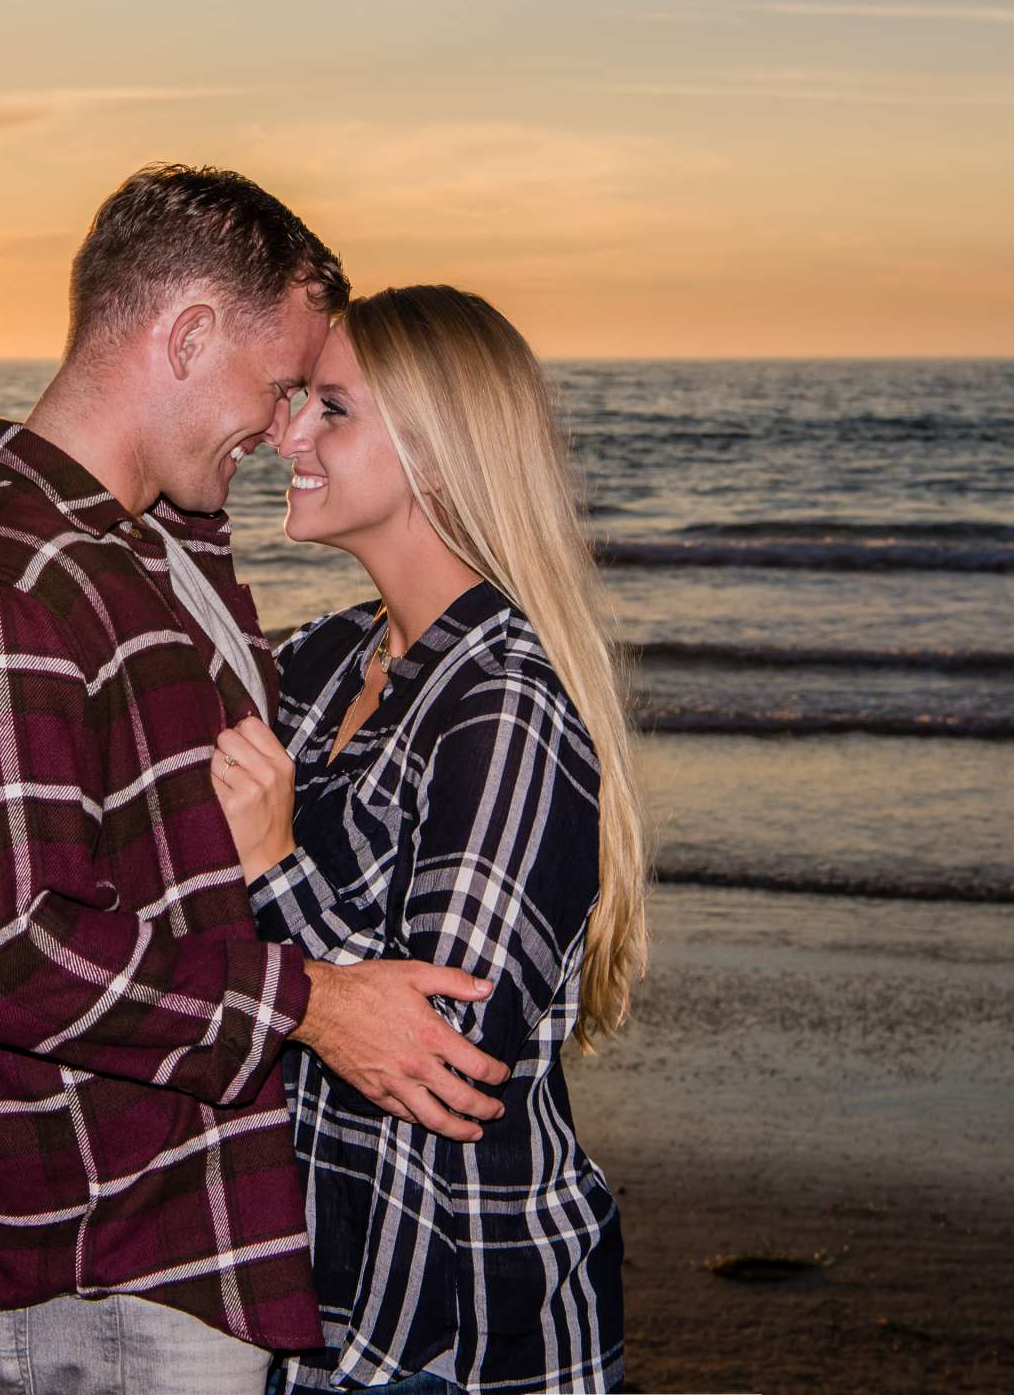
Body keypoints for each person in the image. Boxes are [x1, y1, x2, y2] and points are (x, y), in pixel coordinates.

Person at [0, 168, 513, 1395]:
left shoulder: (144, 551)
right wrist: (311, 1004)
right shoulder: (4, 581)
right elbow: (5, 953)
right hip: (105, 1266)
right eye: (277, 387)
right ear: (187, 335)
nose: (282, 429)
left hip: (175, 1246)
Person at [210, 284, 647, 1395]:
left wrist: (273, 870)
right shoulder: (316, 666)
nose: (287, 432)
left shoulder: (504, 706)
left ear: (441, 457)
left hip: (457, 1330)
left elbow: (445, 1048)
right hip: (319, 1313)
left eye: (334, 411)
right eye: (298, 400)